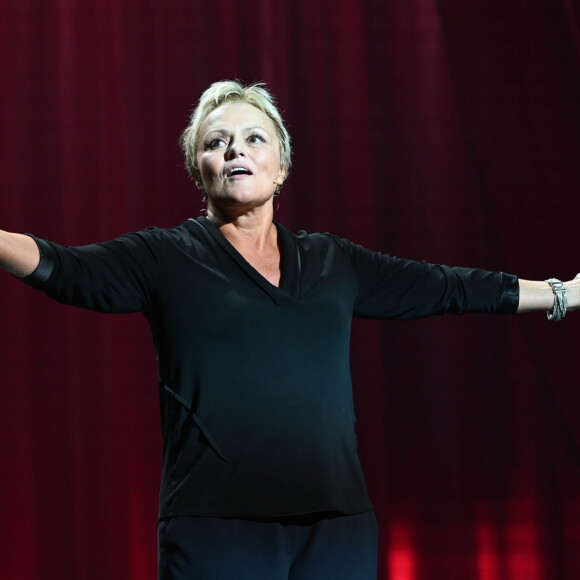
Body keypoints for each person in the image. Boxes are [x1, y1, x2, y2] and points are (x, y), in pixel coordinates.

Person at [0, 80, 578, 580]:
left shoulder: (333, 262)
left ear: (282, 166)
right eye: (215, 141)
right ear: (196, 170)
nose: (235, 150)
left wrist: (562, 294)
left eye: (254, 138)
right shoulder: (163, 257)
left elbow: (447, 286)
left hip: (338, 523)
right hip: (216, 526)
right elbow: (65, 268)